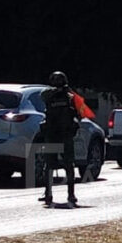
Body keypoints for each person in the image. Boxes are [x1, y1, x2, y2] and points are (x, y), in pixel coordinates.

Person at [39, 71, 81, 208]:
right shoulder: (49, 94)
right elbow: (43, 95)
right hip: (53, 133)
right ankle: (48, 193)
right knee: (49, 165)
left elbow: (79, 109)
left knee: (68, 165)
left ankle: (71, 194)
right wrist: (58, 90)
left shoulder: (69, 95)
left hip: (64, 134)